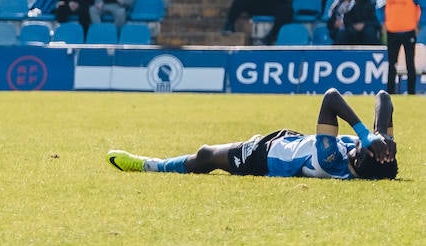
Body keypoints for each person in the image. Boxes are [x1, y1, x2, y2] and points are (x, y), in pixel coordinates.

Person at [107, 88, 398, 181]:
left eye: (362, 146)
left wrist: (365, 133)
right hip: (291, 140)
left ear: (356, 158)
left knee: (207, 155)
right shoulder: (375, 160)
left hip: (263, 157)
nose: (360, 144)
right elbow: (383, 98)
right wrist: (381, 136)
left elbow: (331, 97)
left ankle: (151, 165)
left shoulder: (331, 159)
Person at [376, 0, 426, 95]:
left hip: (409, 31)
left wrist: (420, 25)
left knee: (410, 63)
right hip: (392, 31)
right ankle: (389, 92)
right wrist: (382, 22)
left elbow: (424, 6)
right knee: (392, 63)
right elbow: (379, 7)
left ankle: (411, 92)